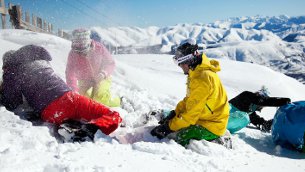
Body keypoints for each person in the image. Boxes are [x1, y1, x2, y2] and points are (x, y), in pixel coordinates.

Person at [0, 45, 122, 142]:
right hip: (71, 99)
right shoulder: (41, 61)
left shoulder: (11, 72)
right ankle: (89, 129)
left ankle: (70, 124)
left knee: (67, 113)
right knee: (113, 115)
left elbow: (12, 102)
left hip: (48, 112)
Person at [150, 39, 230, 147]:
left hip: (213, 124)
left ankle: (218, 141)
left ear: (189, 60)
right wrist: (174, 113)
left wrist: (168, 127)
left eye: (181, 63)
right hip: (203, 117)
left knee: (181, 137)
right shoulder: (195, 72)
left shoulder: (202, 78)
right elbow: (189, 100)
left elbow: (189, 116)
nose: (180, 66)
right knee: (178, 126)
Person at [66, 28, 120, 107]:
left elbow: (111, 63)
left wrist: (103, 73)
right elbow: (70, 74)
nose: (82, 54)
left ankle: (118, 100)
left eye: (84, 50)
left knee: (99, 98)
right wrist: (74, 90)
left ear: (88, 42)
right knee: (82, 101)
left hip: (102, 77)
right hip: (84, 81)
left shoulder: (99, 48)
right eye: (78, 51)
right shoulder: (72, 54)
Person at [227, 88, 291, 133]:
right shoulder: (246, 95)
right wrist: (283, 101)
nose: (261, 107)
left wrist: (269, 124)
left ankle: (225, 130)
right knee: (245, 118)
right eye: (262, 105)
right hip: (223, 114)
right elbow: (259, 100)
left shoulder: (249, 112)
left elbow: (257, 121)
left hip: (226, 124)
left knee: (246, 118)